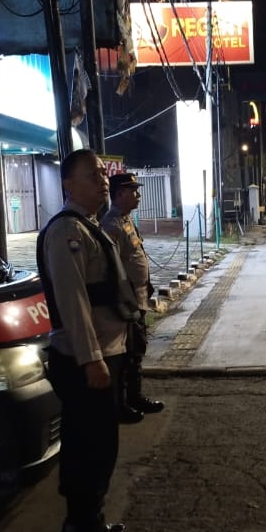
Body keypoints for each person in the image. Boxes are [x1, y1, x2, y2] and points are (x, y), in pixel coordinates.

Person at [36, 149, 140, 532]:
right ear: (68, 184)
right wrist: (91, 358)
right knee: (92, 449)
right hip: (87, 361)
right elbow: (73, 300)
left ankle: (83, 524)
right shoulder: (67, 231)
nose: (103, 182)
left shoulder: (89, 226)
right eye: (93, 175)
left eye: (103, 174)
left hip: (102, 354)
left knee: (93, 444)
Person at [100, 172, 165, 424]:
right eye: (133, 191)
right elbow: (113, 269)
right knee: (127, 354)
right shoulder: (112, 225)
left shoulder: (125, 220)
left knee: (136, 350)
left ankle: (135, 397)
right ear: (119, 194)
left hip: (138, 298)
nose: (138, 195)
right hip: (127, 303)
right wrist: (126, 300)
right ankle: (123, 404)